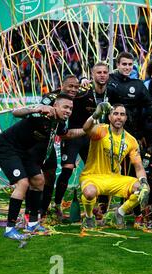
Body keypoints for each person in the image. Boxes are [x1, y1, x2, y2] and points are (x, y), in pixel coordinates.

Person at [0, 94, 84, 240]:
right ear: (55, 106)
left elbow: (68, 134)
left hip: (24, 151)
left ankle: (33, 224)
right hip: (6, 147)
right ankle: (10, 229)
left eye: (71, 108)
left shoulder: (59, 124)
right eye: (65, 107)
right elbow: (15, 112)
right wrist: (36, 108)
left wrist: (89, 129)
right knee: (22, 184)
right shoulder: (41, 114)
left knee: (39, 181)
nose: (68, 111)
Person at [15, 75, 80, 220]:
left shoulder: (78, 96)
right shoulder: (50, 98)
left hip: (51, 143)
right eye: (70, 86)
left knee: (50, 173)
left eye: (76, 87)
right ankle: (29, 211)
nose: (73, 89)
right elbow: (36, 114)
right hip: (37, 143)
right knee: (34, 178)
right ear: (62, 86)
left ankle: (44, 211)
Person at [79, 103, 150, 229]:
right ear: (109, 117)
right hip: (93, 177)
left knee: (143, 189)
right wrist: (96, 114)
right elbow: (86, 128)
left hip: (115, 179)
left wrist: (144, 181)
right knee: (89, 193)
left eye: (122, 114)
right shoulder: (101, 130)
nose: (119, 117)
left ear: (126, 118)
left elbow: (138, 167)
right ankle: (89, 218)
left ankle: (119, 213)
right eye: (115, 114)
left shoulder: (131, 140)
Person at [53, 63, 110, 219]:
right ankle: (57, 205)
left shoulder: (111, 91)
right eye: (99, 72)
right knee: (67, 169)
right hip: (74, 135)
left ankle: (100, 208)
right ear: (92, 74)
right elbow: (68, 90)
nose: (102, 75)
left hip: (92, 137)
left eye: (105, 72)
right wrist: (82, 78)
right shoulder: (82, 91)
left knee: (98, 171)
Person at [107, 52, 152, 146]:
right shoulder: (108, 79)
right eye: (124, 64)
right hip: (111, 129)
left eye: (130, 64)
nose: (127, 67)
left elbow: (151, 104)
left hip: (132, 131)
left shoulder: (138, 84)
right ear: (117, 65)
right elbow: (94, 82)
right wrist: (83, 79)